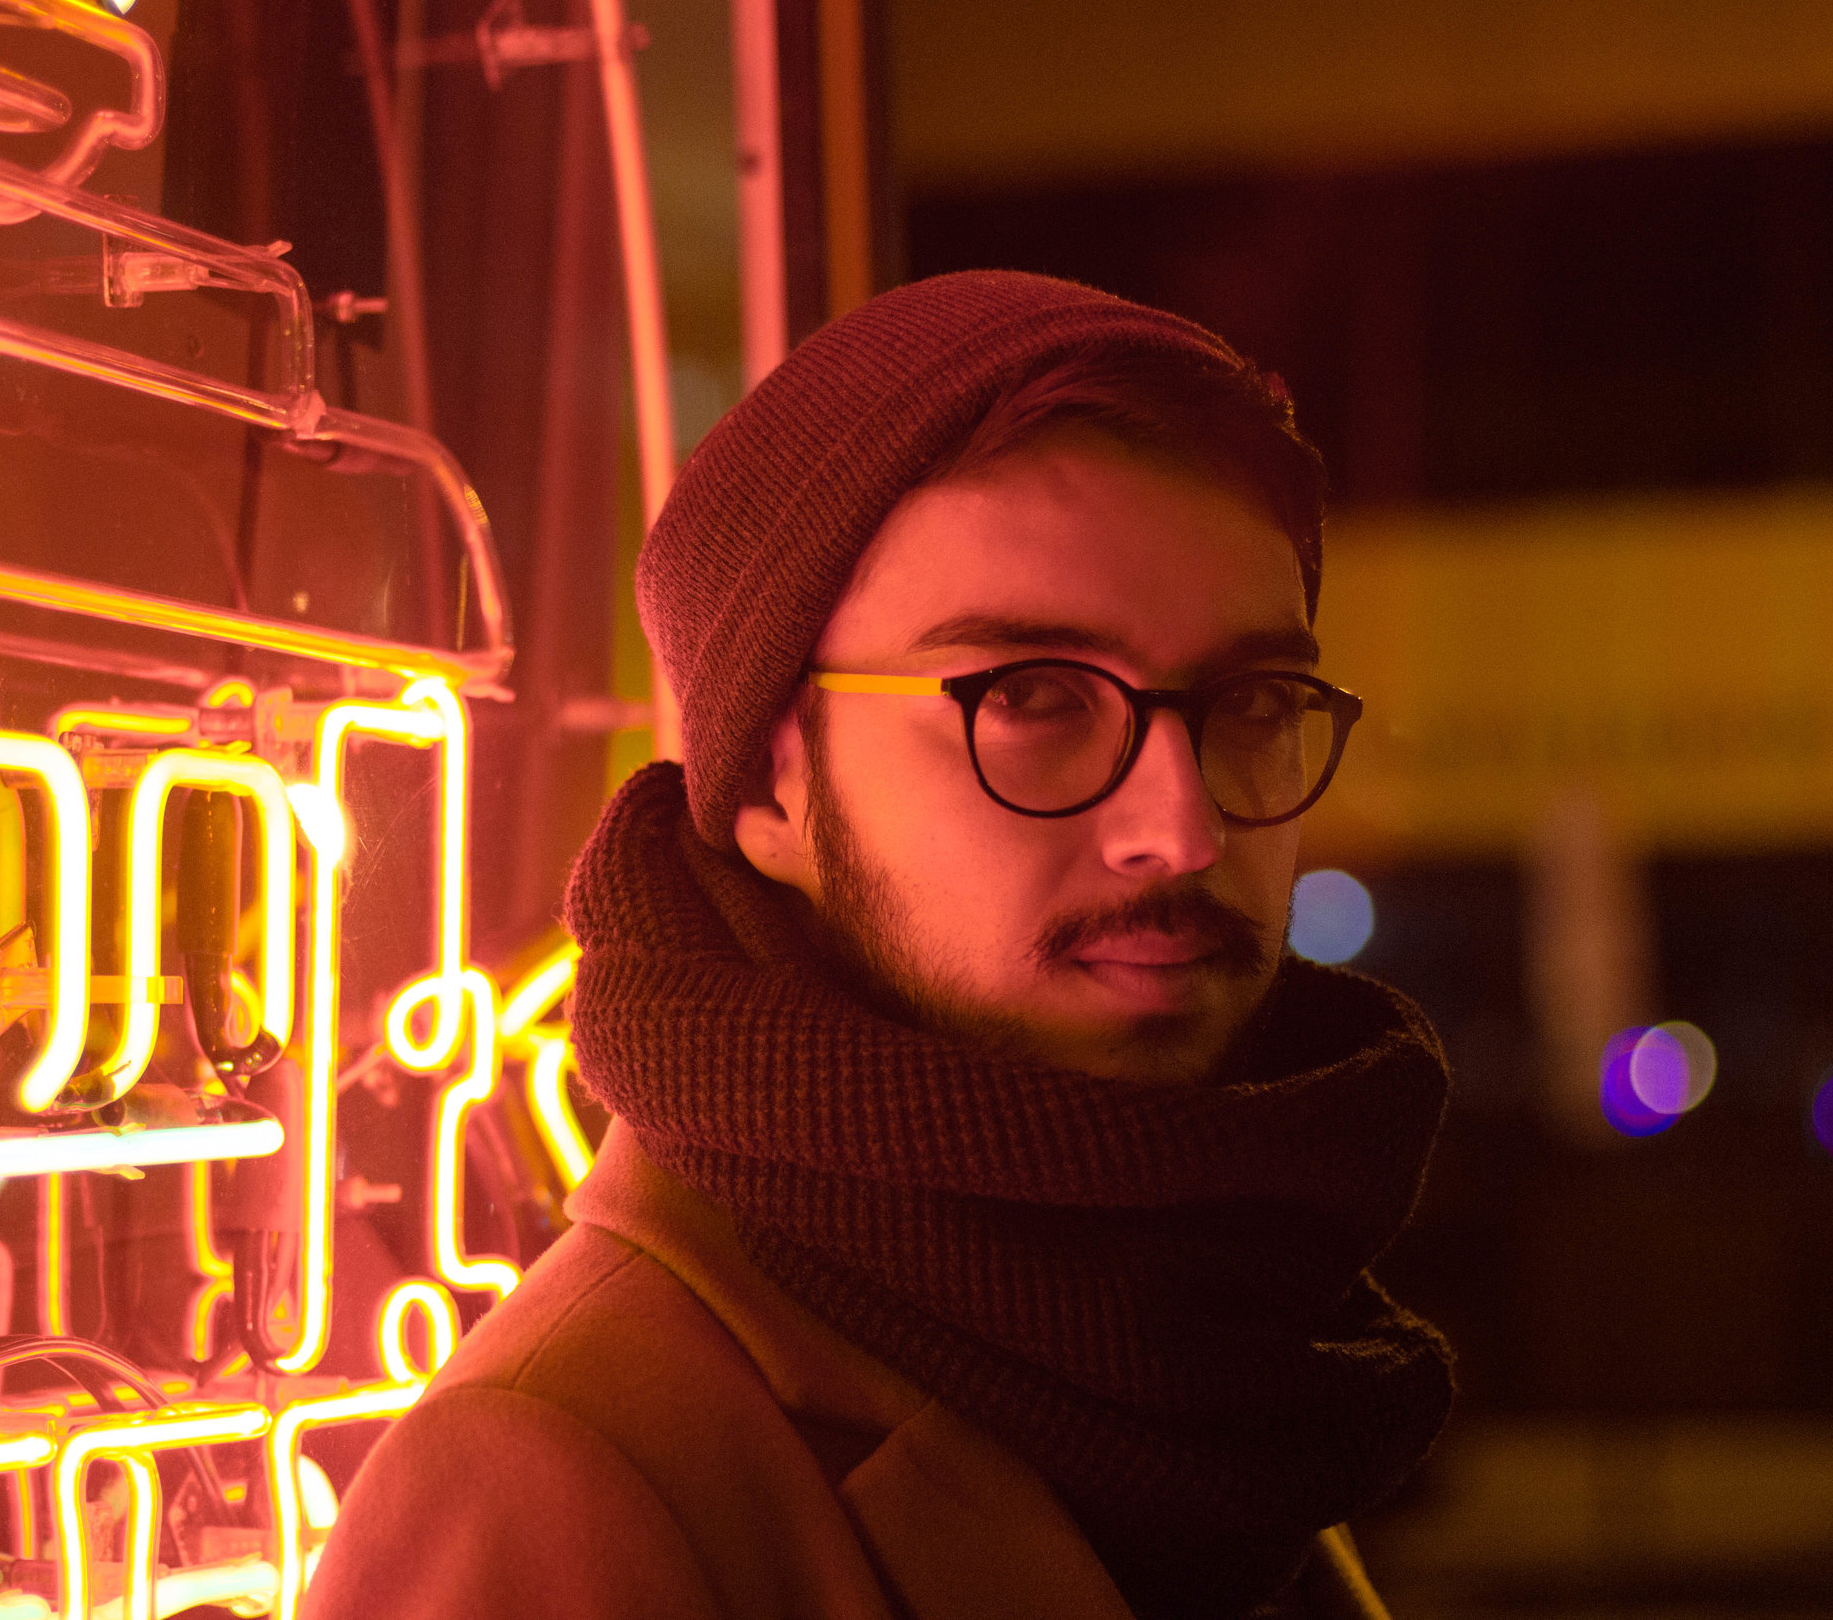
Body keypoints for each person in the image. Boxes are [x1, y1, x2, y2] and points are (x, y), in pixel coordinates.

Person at [306, 271, 1454, 1620]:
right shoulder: (556, 1473)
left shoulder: (1221, 1365)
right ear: (771, 780)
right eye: (1032, 696)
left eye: (1253, 701)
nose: (1183, 829)